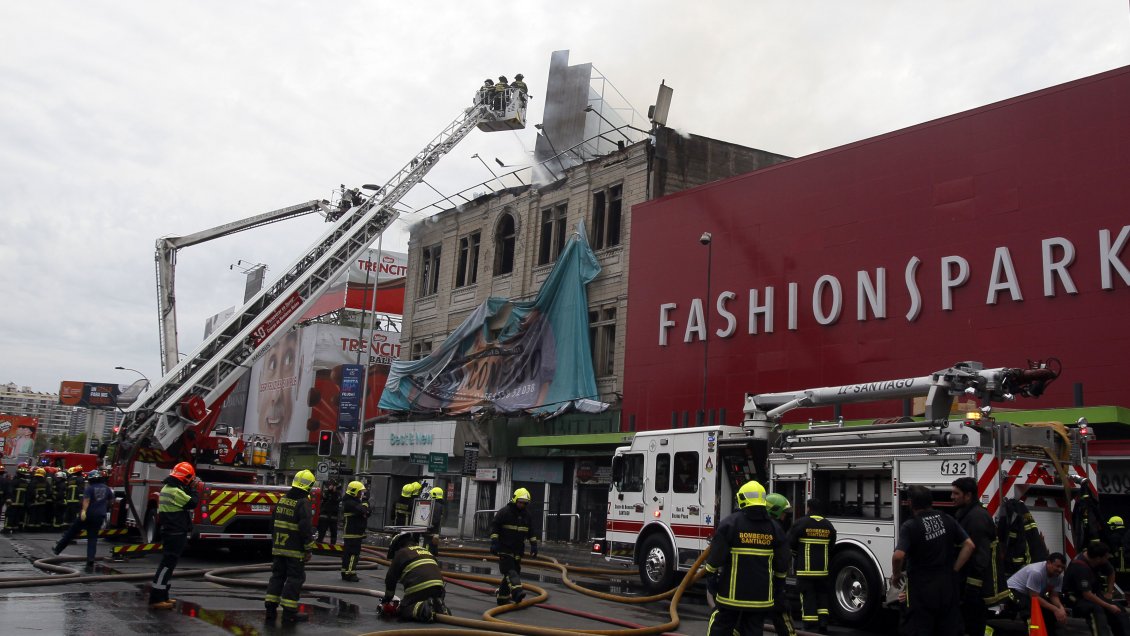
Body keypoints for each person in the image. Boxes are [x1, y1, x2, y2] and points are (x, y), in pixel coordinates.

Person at [703, 480, 790, 636]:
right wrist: (778, 586)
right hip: (761, 598)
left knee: (720, 627)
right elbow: (782, 563)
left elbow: (715, 558)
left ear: (742, 498)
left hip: (731, 597)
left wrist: (711, 580)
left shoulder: (730, 524)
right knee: (753, 630)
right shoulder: (775, 528)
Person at [890, 485, 974, 636]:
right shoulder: (947, 518)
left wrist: (896, 575)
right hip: (947, 587)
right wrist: (954, 569)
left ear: (910, 503)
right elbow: (969, 545)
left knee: (919, 628)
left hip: (921, 589)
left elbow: (898, 556)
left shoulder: (910, 526)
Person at [951, 476, 1001, 636]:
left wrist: (971, 585)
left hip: (974, 583)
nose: (952, 497)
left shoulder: (976, 517)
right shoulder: (967, 513)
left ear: (968, 495)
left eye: (956, 493)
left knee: (973, 623)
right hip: (967, 580)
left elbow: (979, 554)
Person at [265, 469, 316, 623]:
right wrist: (308, 548)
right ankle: (289, 613)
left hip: (278, 548)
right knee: (295, 579)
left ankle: (270, 610)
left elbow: (271, 524)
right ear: (309, 486)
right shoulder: (303, 503)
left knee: (277, 577)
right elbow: (305, 528)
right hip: (294, 550)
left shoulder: (282, 500)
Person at [149, 461, 201, 610]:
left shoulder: (168, 488)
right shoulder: (175, 491)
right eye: (190, 479)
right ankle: (156, 598)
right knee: (167, 565)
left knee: (169, 565)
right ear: (185, 478)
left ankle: (163, 595)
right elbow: (193, 503)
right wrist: (194, 489)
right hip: (175, 532)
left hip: (171, 531)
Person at [788, 498, 837, 635]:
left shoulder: (800, 523)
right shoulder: (828, 525)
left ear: (808, 508)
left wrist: (796, 555)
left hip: (805, 570)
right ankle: (823, 623)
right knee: (822, 596)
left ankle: (809, 625)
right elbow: (831, 547)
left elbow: (790, 543)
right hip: (823, 570)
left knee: (807, 596)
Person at [1063, 541, 1130, 636]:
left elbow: (1111, 572)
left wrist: (1109, 593)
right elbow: (1087, 595)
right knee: (1096, 609)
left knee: (1119, 609)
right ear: (1098, 559)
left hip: (1091, 593)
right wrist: (1109, 606)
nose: (1107, 558)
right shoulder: (1079, 567)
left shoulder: (1097, 558)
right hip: (1074, 596)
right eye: (1106, 557)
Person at [53, 469, 114, 572]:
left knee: (71, 532)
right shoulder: (107, 488)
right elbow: (111, 501)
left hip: (87, 515)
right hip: (99, 516)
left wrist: (84, 511)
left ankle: (58, 549)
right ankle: (90, 560)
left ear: (90, 479)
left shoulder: (89, 488)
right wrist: (103, 508)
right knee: (92, 538)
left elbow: (86, 500)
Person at [381, 532, 450, 622]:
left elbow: (390, 579)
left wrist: (387, 598)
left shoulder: (401, 553)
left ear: (398, 546)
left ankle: (423, 608)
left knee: (403, 609)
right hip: (439, 588)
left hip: (421, 588)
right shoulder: (425, 551)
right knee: (429, 599)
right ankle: (438, 605)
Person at [490, 487, 538, 605]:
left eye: (524, 503)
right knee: (510, 571)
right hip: (504, 548)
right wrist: (494, 542)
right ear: (515, 500)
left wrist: (534, 545)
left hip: (517, 550)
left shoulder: (527, 515)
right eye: (520, 502)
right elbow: (494, 527)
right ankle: (517, 592)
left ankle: (502, 597)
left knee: (514, 571)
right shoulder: (504, 512)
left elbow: (530, 531)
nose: (522, 505)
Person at [1007, 553, 1069, 636]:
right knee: (1030, 612)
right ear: (1048, 563)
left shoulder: (1059, 576)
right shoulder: (1036, 572)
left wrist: (1060, 609)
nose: (1060, 570)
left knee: (1050, 613)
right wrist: (1055, 609)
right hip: (1014, 591)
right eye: (1057, 566)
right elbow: (1034, 597)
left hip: (1031, 594)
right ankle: (1034, 633)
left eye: (1062, 567)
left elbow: (1053, 596)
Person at [763, 492, 798, 636]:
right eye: (784, 513)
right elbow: (783, 560)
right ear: (775, 511)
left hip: (754, 585)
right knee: (781, 614)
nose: (785, 517)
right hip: (772, 585)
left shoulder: (755, 526)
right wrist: (779, 585)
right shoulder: (777, 530)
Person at [341, 480, 370, 582]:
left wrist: (365, 510)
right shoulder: (351, 503)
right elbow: (364, 511)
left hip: (353, 532)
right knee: (353, 553)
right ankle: (350, 573)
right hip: (353, 532)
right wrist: (366, 504)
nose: (361, 494)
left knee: (347, 554)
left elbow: (367, 513)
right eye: (360, 492)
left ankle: (345, 572)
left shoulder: (349, 502)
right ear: (354, 492)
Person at [3, 463, 30, 533]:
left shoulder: (14, 481)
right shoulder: (26, 482)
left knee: (9, 515)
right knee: (17, 516)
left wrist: (8, 498)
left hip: (13, 502)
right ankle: (15, 528)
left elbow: (10, 490)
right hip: (21, 503)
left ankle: (7, 529)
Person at [316, 480, 340, 545]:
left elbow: (337, 500)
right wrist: (329, 491)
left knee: (334, 532)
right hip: (324, 516)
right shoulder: (326, 492)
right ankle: (319, 542)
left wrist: (334, 492)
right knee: (322, 531)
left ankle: (333, 544)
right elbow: (324, 497)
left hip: (333, 517)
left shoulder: (337, 494)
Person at [426, 486, 446, 556]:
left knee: (429, 547)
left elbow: (435, 519)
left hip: (431, 530)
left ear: (434, 494)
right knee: (434, 546)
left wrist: (427, 525)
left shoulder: (435, 505)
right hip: (435, 530)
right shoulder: (440, 504)